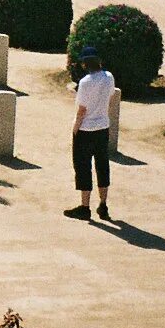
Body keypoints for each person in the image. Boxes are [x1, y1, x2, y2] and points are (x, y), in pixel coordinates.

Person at [66, 47, 115, 221]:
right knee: (102, 165)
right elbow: (110, 100)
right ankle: (103, 204)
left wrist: (75, 129)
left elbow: (81, 110)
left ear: (85, 63)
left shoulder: (85, 82)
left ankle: (84, 207)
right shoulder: (109, 78)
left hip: (86, 129)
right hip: (103, 127)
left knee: (83, 167)